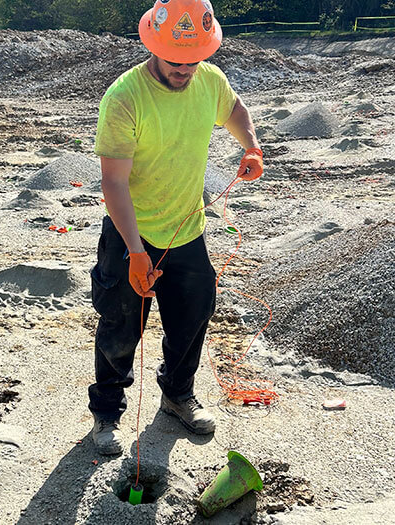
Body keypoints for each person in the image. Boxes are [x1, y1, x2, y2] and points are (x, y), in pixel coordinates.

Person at [89, 0, 264, 455]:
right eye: (176, 62)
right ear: (152, 45)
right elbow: (114, 182)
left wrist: (251, 146)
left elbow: (235, 109)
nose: (186, 70)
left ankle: (177, 396)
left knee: (192, 319)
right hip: (132, 233)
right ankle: (107, 412)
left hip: (187, 230)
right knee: (120, 325)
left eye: (194, 61)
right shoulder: (124, 97)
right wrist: (135, 252)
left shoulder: (210, 81)